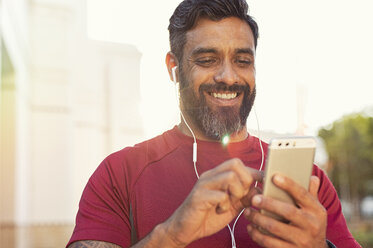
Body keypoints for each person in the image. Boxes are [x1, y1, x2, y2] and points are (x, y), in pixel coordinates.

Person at [67, 0, 361, 247]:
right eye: (207, 60)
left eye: (243, 61)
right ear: (174, 68)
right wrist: (171, 234)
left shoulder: (307, 182)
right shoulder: (119, 174)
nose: (229, 77)